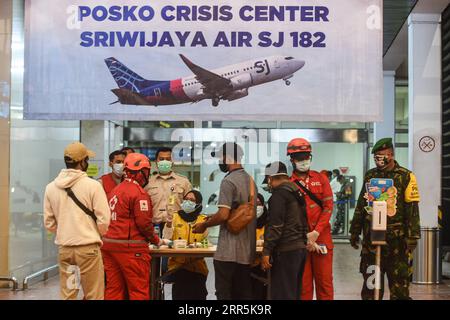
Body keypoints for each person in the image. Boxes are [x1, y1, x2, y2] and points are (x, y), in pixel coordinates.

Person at [349, 137, 421, 300]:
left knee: (399, 287)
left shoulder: (406, 176)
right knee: (371, 287)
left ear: (391, 154)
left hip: (397, 242)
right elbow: (361, 205)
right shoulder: (370, 176)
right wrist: (354, 231)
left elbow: (412, 209)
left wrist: (413, 236)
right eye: (376, 157)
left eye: (382, 155)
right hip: (371, 240)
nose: (378, 160)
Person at [43, 142, 111, 300]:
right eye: (87, 159)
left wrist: (65, 231)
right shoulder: (93, 186)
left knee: (69, 294)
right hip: (88, 249)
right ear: (82, 162)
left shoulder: (51, 187)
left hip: (65, 249)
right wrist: (96, 232)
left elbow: (49, 223)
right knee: (93, 294)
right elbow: (104, 219)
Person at [193, 142, 257, 300]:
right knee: (242, 295)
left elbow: (223, 215)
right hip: (246, 252)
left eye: (220, 157)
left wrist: (204, 225)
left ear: (227, 157)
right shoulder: (251, 182)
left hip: (228, 252)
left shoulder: (228, 181)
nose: (219, 161)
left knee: (224, 294)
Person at [101, 153, 165, 300]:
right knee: (139, 291)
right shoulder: (139, 193)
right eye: (147, 171)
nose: (147, 175)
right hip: (130, 249)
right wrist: (157, 240)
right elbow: (144, 224)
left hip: (109, 247)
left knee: (113, 290)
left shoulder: (115, 191)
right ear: (141, 172)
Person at [287, 138, 334, 300]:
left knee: (325, 285)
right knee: (303, 287)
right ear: (291, 159)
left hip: (322, 240)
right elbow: (289, 216)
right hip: (300, 242)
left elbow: (328, 208)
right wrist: (305, 236)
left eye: (306, 156)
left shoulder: (321, 179)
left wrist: (316, 232)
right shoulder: (288, 184)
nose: (303, 161)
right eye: (299, 157)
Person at [261, 162, 308, 300]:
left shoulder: (279, 195)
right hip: (300, 249)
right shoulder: (297, 191)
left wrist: (266, 251)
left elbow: (276, 225)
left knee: (282, 294)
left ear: (270, 178)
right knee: (293, 293)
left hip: (286, 250)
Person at [163, 190, 209, 300]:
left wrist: (198, 245)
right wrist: (168, 224)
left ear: (198, 204)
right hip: (178, 267)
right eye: (186, 199)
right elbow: (166, 237)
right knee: (181, 293)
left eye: (192, 200)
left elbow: (205, 242)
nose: (188, 202)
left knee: (198, 293)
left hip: (197, 267)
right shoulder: (174, 217)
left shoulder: (203, 220)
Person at [145, 147, 192, 235]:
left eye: (168, 159)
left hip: (177, 227)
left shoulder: (184, 182)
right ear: (156, 161)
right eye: (161, 159)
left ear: (172, 161)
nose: (164, 161)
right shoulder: (148, 183)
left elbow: (190, 206)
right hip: (154, 228)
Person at [251, 193, 269, 300]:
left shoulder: (269, 223)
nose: (257, 207)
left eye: (259, 204)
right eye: (254, 204)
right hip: (247, 265)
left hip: (263, 265)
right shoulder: (244, 223)